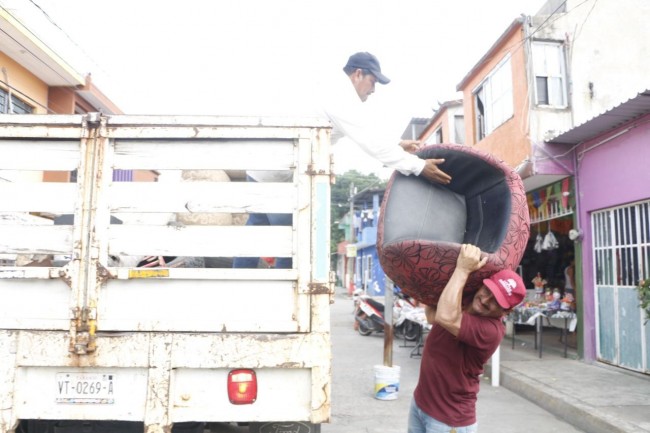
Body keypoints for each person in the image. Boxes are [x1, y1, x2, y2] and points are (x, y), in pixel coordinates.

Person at [234, 51, 451, 269]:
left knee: (256, 232)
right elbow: (369, 140)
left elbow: (367, 130)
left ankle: (238, 282)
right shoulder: (340, 95)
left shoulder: (333, 91)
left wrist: (397, 143)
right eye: (372, 82)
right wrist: (418, 166)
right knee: (291, 240)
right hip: (278, 176)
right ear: (358, 74)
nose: (373, 90)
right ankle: (288, 300)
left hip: (264, 169)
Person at [408, 244, 526, 433]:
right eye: (488, 291)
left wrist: (462, 269)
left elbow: (446, 317)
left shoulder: (491, 330)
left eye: (496, 301)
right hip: (421, 402)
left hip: (449, 420)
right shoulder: (463, 298)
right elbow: (433, 316)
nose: (485, 300)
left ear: (506, 311)